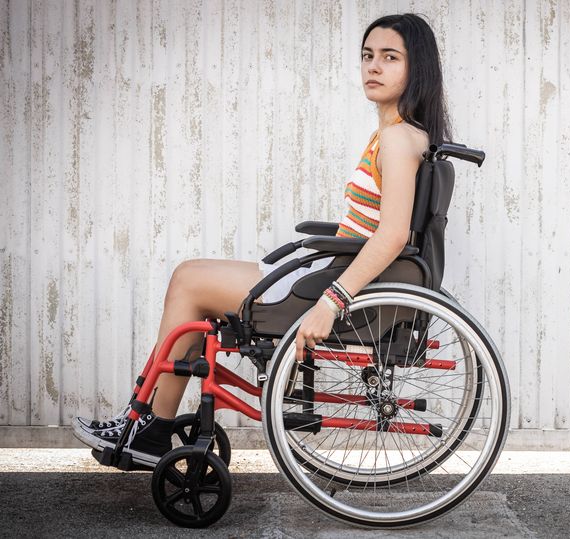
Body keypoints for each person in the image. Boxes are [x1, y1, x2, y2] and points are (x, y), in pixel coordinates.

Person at [72, 13, 452, 467]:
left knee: (189, 282)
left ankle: (148, 427)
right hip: (330, 271)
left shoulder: (397, 139)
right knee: (191, 279)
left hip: (337, 285)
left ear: (416, 67)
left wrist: (330, 302)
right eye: (368, 55)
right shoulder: (396, 135)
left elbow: (391, 236)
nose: (373, 66)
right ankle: (142, 420)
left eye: (390, 57)